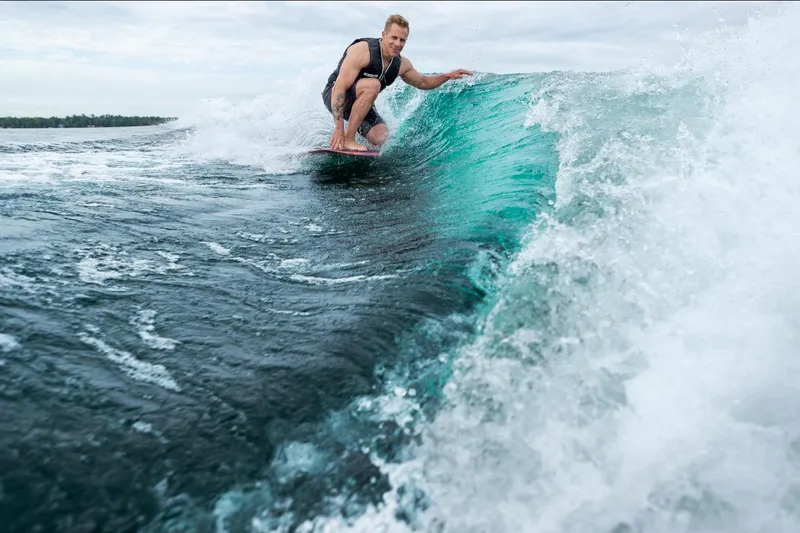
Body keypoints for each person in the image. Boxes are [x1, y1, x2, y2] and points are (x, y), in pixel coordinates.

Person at [322, 14, 473, 152]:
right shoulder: (363, 51)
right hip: (335, 95)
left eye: (402, 40)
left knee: (382, 139)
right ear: (383, 35)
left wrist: (446, 76)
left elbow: (423, 82)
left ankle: (354, 137)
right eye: (393, 38)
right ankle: (348, 139)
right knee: (373, 85)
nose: (397, 44)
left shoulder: (401, 64)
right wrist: (339, 128)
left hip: (362, 103)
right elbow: (339, 87)